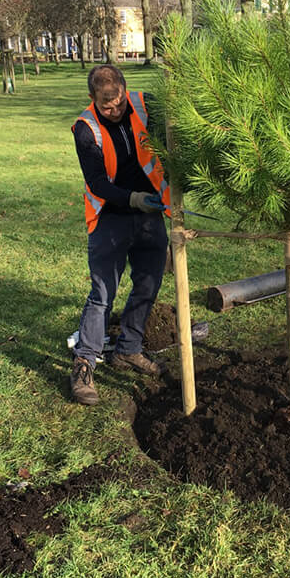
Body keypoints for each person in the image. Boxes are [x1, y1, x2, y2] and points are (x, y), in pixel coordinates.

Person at [69, 64, 171, 405]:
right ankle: (84, 363)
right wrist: (133, 199)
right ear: (92, 98)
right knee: (102, 295)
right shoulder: (86, 129)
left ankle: (128, 349)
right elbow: (97, 183)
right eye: (105, 105)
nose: (113, 110)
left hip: (151, 216)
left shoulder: (147, 105)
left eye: (117, 102)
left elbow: (174, 139)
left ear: (126, 89)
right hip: (110, 217)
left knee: (148, 285)